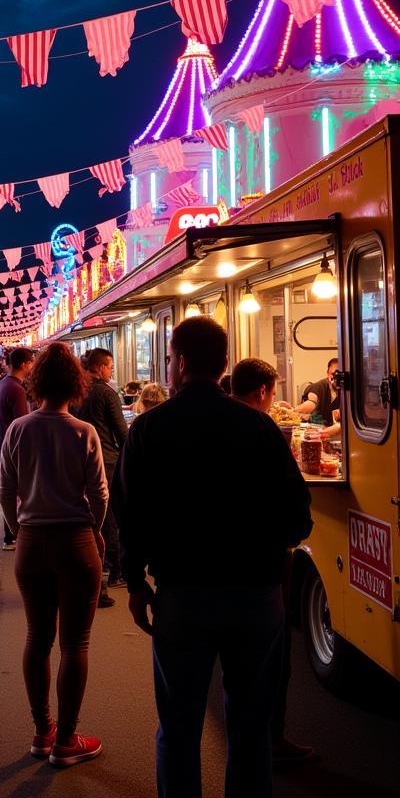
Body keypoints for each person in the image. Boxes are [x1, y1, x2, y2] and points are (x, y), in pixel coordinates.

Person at [113, 317, 312, 798]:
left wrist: (136, 584)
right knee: (251, 727)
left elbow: (128, 512)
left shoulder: (150, 429)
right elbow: (298, 516)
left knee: (179, 727)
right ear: (223, 364)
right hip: (255, 595)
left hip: (182, 596)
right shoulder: (259, 427)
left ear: (178, 363)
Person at [0, 343, 108, 768]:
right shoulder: (84, 431)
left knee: (36, 637)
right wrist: (95, 530)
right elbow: (99, 494)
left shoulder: (18, 430)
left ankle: (41, 731)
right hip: (76, 540)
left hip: (32, 539)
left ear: (36, 382)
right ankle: (67, 738)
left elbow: (6, 490)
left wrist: (18, 527)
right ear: (76, 384)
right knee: (75, 642)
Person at [231, 358, 314, 766]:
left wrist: (143, 575)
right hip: (260, 569)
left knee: (182, 707)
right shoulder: (263, 428)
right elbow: (295, 499)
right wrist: (293, 537)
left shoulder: (164, 425)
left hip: (189, 578)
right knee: (265, 666)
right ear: (264, 391)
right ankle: (270, 741)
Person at [73, 348, 126, 600]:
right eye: (110, 366)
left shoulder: (78, 393)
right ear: (101, 367)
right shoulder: (107, 393)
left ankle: (94, 567)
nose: (111, 371)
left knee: (92, 515)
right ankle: (115, 571)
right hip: (107, 461)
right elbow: (122, 432)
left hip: (80, 460)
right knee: (110, 516)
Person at [0, 346, 33, 550]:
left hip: (4, 444)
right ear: (24, 364)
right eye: (31, 362)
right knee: (20, 491)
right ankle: (14, 534)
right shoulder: (16, 389)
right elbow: (22, 423)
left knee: (9, 489)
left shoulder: (1, 385)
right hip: (16, 448)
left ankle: (10, 535)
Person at [296, 357, 339, 426]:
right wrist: (293, 411)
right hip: (317, 427)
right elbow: (312, 401)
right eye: (333, 374)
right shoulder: (319, 386)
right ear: (327, 374)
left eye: (338, 375)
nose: (336, 378)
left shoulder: (347, 390)